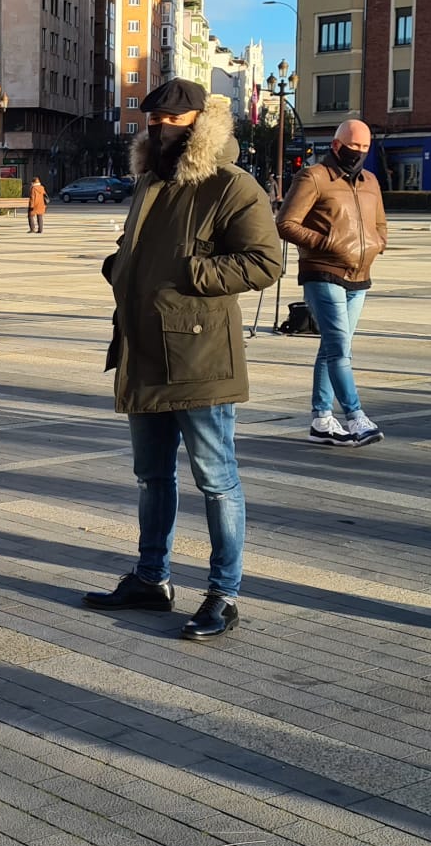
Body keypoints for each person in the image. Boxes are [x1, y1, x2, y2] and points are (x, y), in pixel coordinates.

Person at [81, 81, 282, 641]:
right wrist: (119, 267)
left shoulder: (232, 186)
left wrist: (192, 274)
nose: (161, 126)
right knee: (152, 478)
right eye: (155, 118)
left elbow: (265, 262)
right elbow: (138, 248)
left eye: (174, 117)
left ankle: (224, 593)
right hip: (143, 351)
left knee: (216, 481)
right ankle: (152, 579)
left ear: (202, 121)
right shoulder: (150, 181)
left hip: (199, 355)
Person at [277, 119, 389, 449]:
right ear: (336, 145)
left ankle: (322, 419)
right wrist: (325, 243)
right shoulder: (314, 177)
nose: (357, 155)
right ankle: (355, 416)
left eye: (364, 150)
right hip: (323, 271)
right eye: (352, 149)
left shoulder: (370, 182)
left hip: (359, 274)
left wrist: (377, 242)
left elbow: (380, 222)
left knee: (332, 347)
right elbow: (286, 223)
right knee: (339, 347)